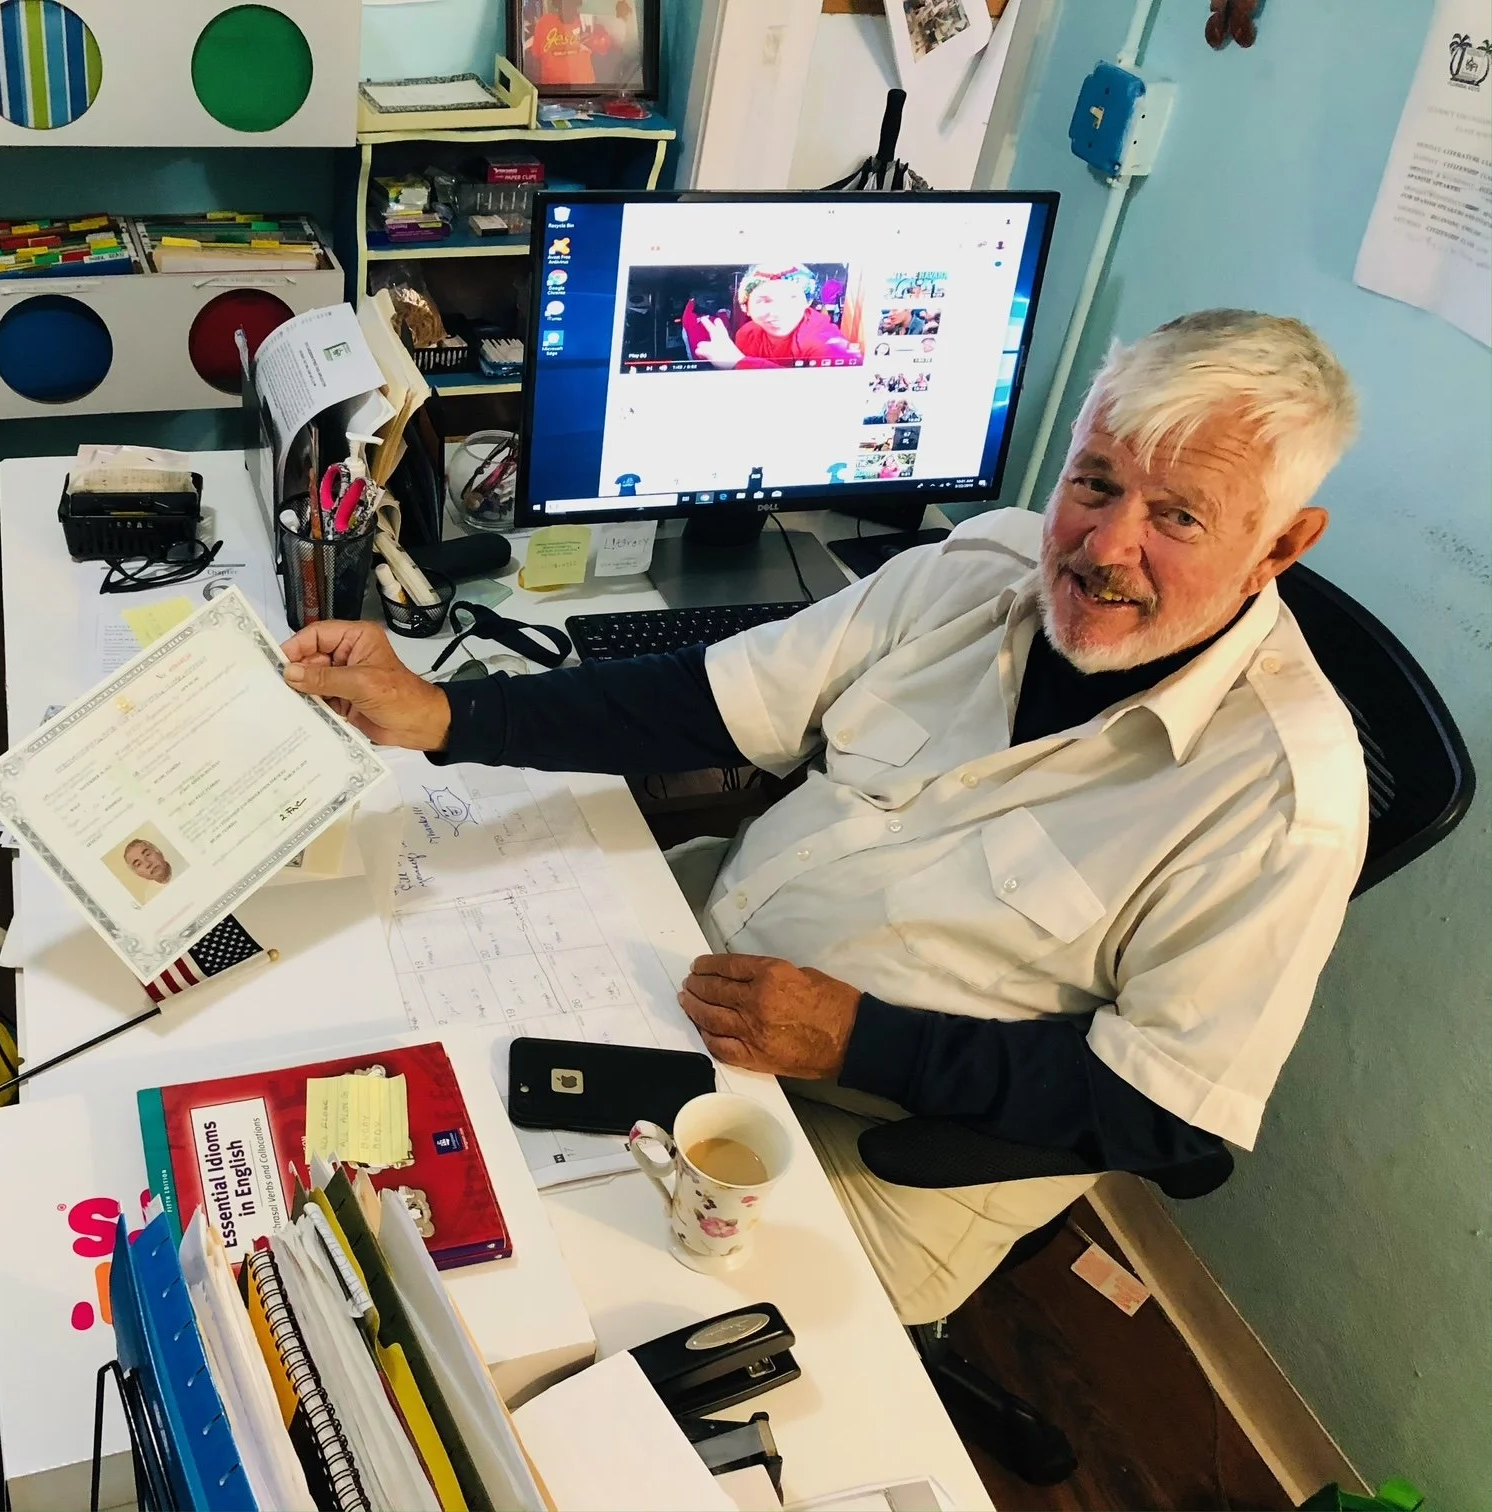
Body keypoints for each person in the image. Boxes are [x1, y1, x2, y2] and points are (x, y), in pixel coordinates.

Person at [279, 310, 1366, 1325]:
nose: (1102, 546)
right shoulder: (982, 563)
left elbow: (1168, 1117)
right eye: (1094, 482)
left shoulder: (1283, 800)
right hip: (701, 958)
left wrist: (860, 1040)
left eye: (1177, 516)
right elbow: (706, 699)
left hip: (879, 1131)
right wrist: (439, 712)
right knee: (403, 1083)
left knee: (551, 1302)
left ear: (1281, 547)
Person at [692, 265, 860, 369]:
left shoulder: (828, 343)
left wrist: (737, 362)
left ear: (806, 302)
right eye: (763, 300)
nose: (777, 311)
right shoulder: (746, 334)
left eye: (790, 298)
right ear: (746, 308)